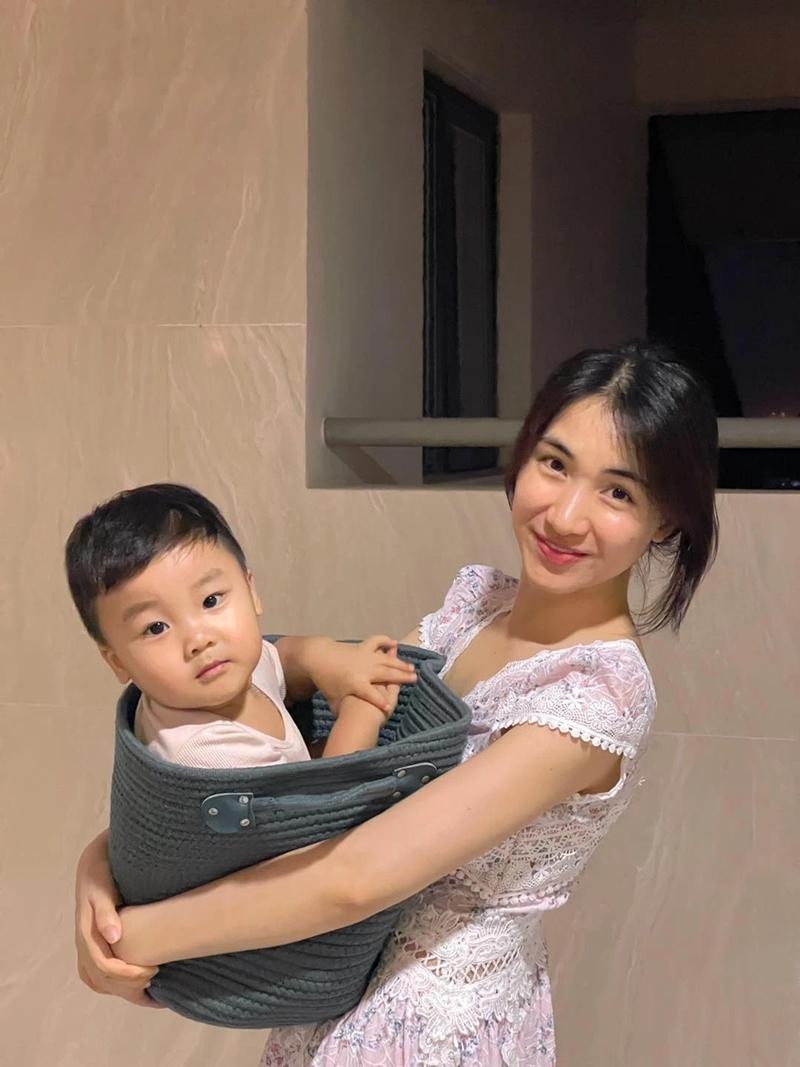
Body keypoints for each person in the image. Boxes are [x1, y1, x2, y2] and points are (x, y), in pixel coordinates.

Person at [74, 342, 719, 1066]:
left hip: (434, 1029)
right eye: (555, 463)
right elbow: (291, 787)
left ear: (666, 520)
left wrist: (131, 936)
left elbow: (355, 877)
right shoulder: (475, 606)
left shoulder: (598, 693)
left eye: (618, 493)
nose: (566, 515)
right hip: (335, 991)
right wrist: (98, 869)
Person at [65, 483, 417, 772]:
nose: (199, 640)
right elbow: (326, 805)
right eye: (156, 627)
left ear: (251, 592)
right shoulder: (205, 750)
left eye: (210, 601)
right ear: (118, 662)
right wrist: (363, 710)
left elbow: (280, 657)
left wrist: (325, 655)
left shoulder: (232, 672)